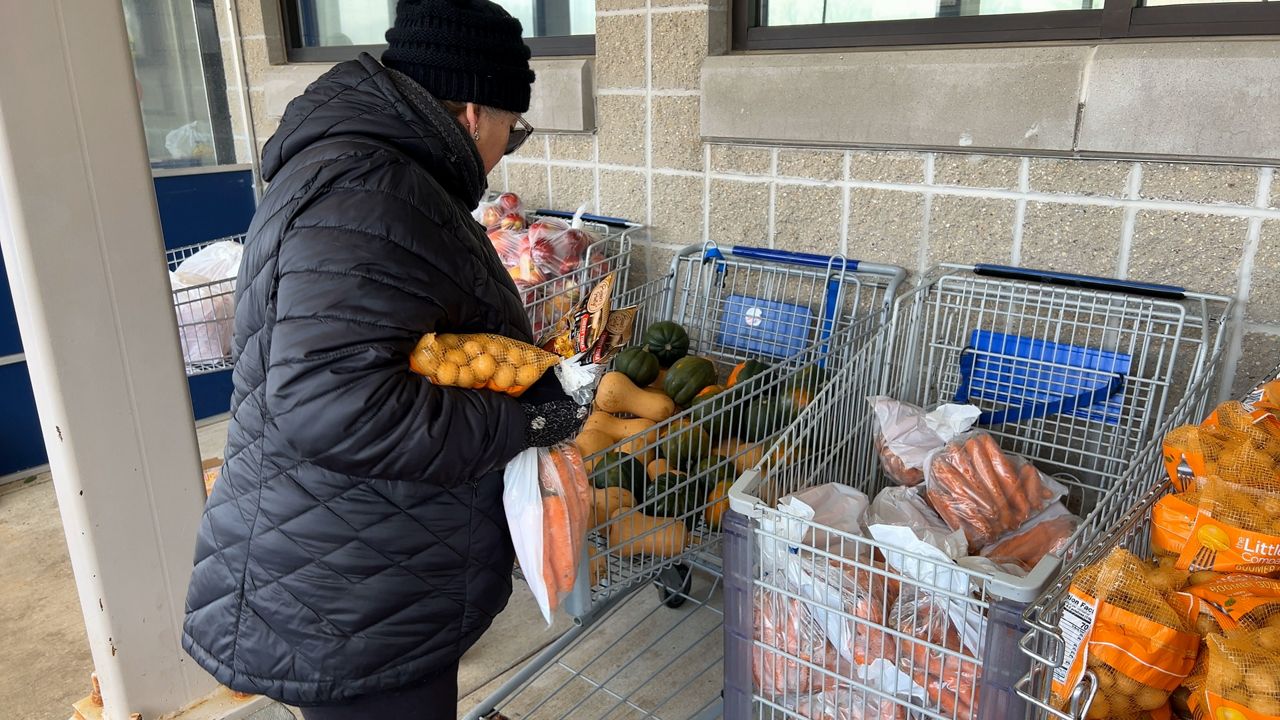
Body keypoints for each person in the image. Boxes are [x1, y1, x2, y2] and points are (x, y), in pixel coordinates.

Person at [181, 1, 586, 717]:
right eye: (511, 130)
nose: (504, 151)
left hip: (359, 564)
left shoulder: (374, 176)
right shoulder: (370, 191)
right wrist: (520, 420)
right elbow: (334, 407)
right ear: (469, 114)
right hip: (350, 588)